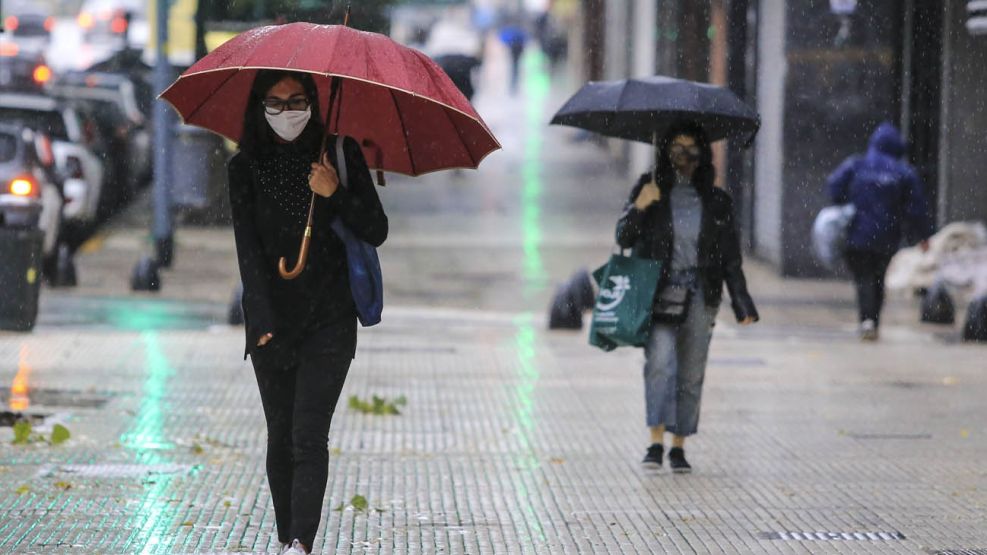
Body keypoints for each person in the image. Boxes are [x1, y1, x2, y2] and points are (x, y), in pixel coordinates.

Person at [228, 70, 388, 555]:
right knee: (280, 438)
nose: (287, 112)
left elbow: (376, 228)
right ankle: (286, 536)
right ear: (259, 107)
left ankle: (301, 543)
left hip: (330, 319)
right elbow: (247, 252)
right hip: (272, 322)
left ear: (313, 103)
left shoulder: (338, 153)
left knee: (308, 435)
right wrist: (260, 320)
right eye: (275, 103)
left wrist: (335, 192)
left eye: (297, 101)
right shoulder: (243, 167)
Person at [616, 122, 758, 473]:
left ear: (703, 153)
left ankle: (678, 445)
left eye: (691, 148)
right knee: (660, 363)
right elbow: (623, 236)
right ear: (665, 151)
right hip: (659, 291)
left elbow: (730, 257)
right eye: (676, 148)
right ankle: (655, 441)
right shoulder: (649, 187)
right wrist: (640, 206)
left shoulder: (717, 201)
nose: (684, 156)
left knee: (691, 371)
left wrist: (741, 301)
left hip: (700, 292)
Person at [827, 122, 933, 341]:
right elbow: (916, 208)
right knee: (878, 278)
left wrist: (849, 200)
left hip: (857, 234)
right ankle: (872, 321)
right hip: (886, 236)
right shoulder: (903, 172)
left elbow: (834, 187)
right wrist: (922, 236)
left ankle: (867, 321)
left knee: (863, 278)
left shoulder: (856, 164)